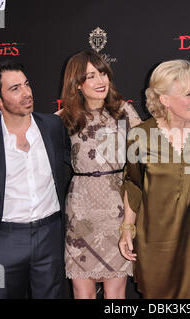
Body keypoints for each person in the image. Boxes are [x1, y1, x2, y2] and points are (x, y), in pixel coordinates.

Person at [0, 60, 72, 298]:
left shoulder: (53, 126)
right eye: (15, 88)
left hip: (50, 236)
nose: (27, 93)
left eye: (26, 84)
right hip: (4, 242)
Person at [119, 59, 190, 298]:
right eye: (188, 94)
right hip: (153, 243)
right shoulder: (139, 136)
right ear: (165, 100)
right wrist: (127, 228)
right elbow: (133, 184)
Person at [59, 51, 141, 299]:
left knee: (115, 292)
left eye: (102, 73)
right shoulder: (66, 117)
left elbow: (141, 164)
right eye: (91, 76)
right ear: (78, 85)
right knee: (82, 291)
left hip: (116, 207)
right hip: (81, 211)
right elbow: (27, 127)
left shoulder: (124, 112)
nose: (100, 81)